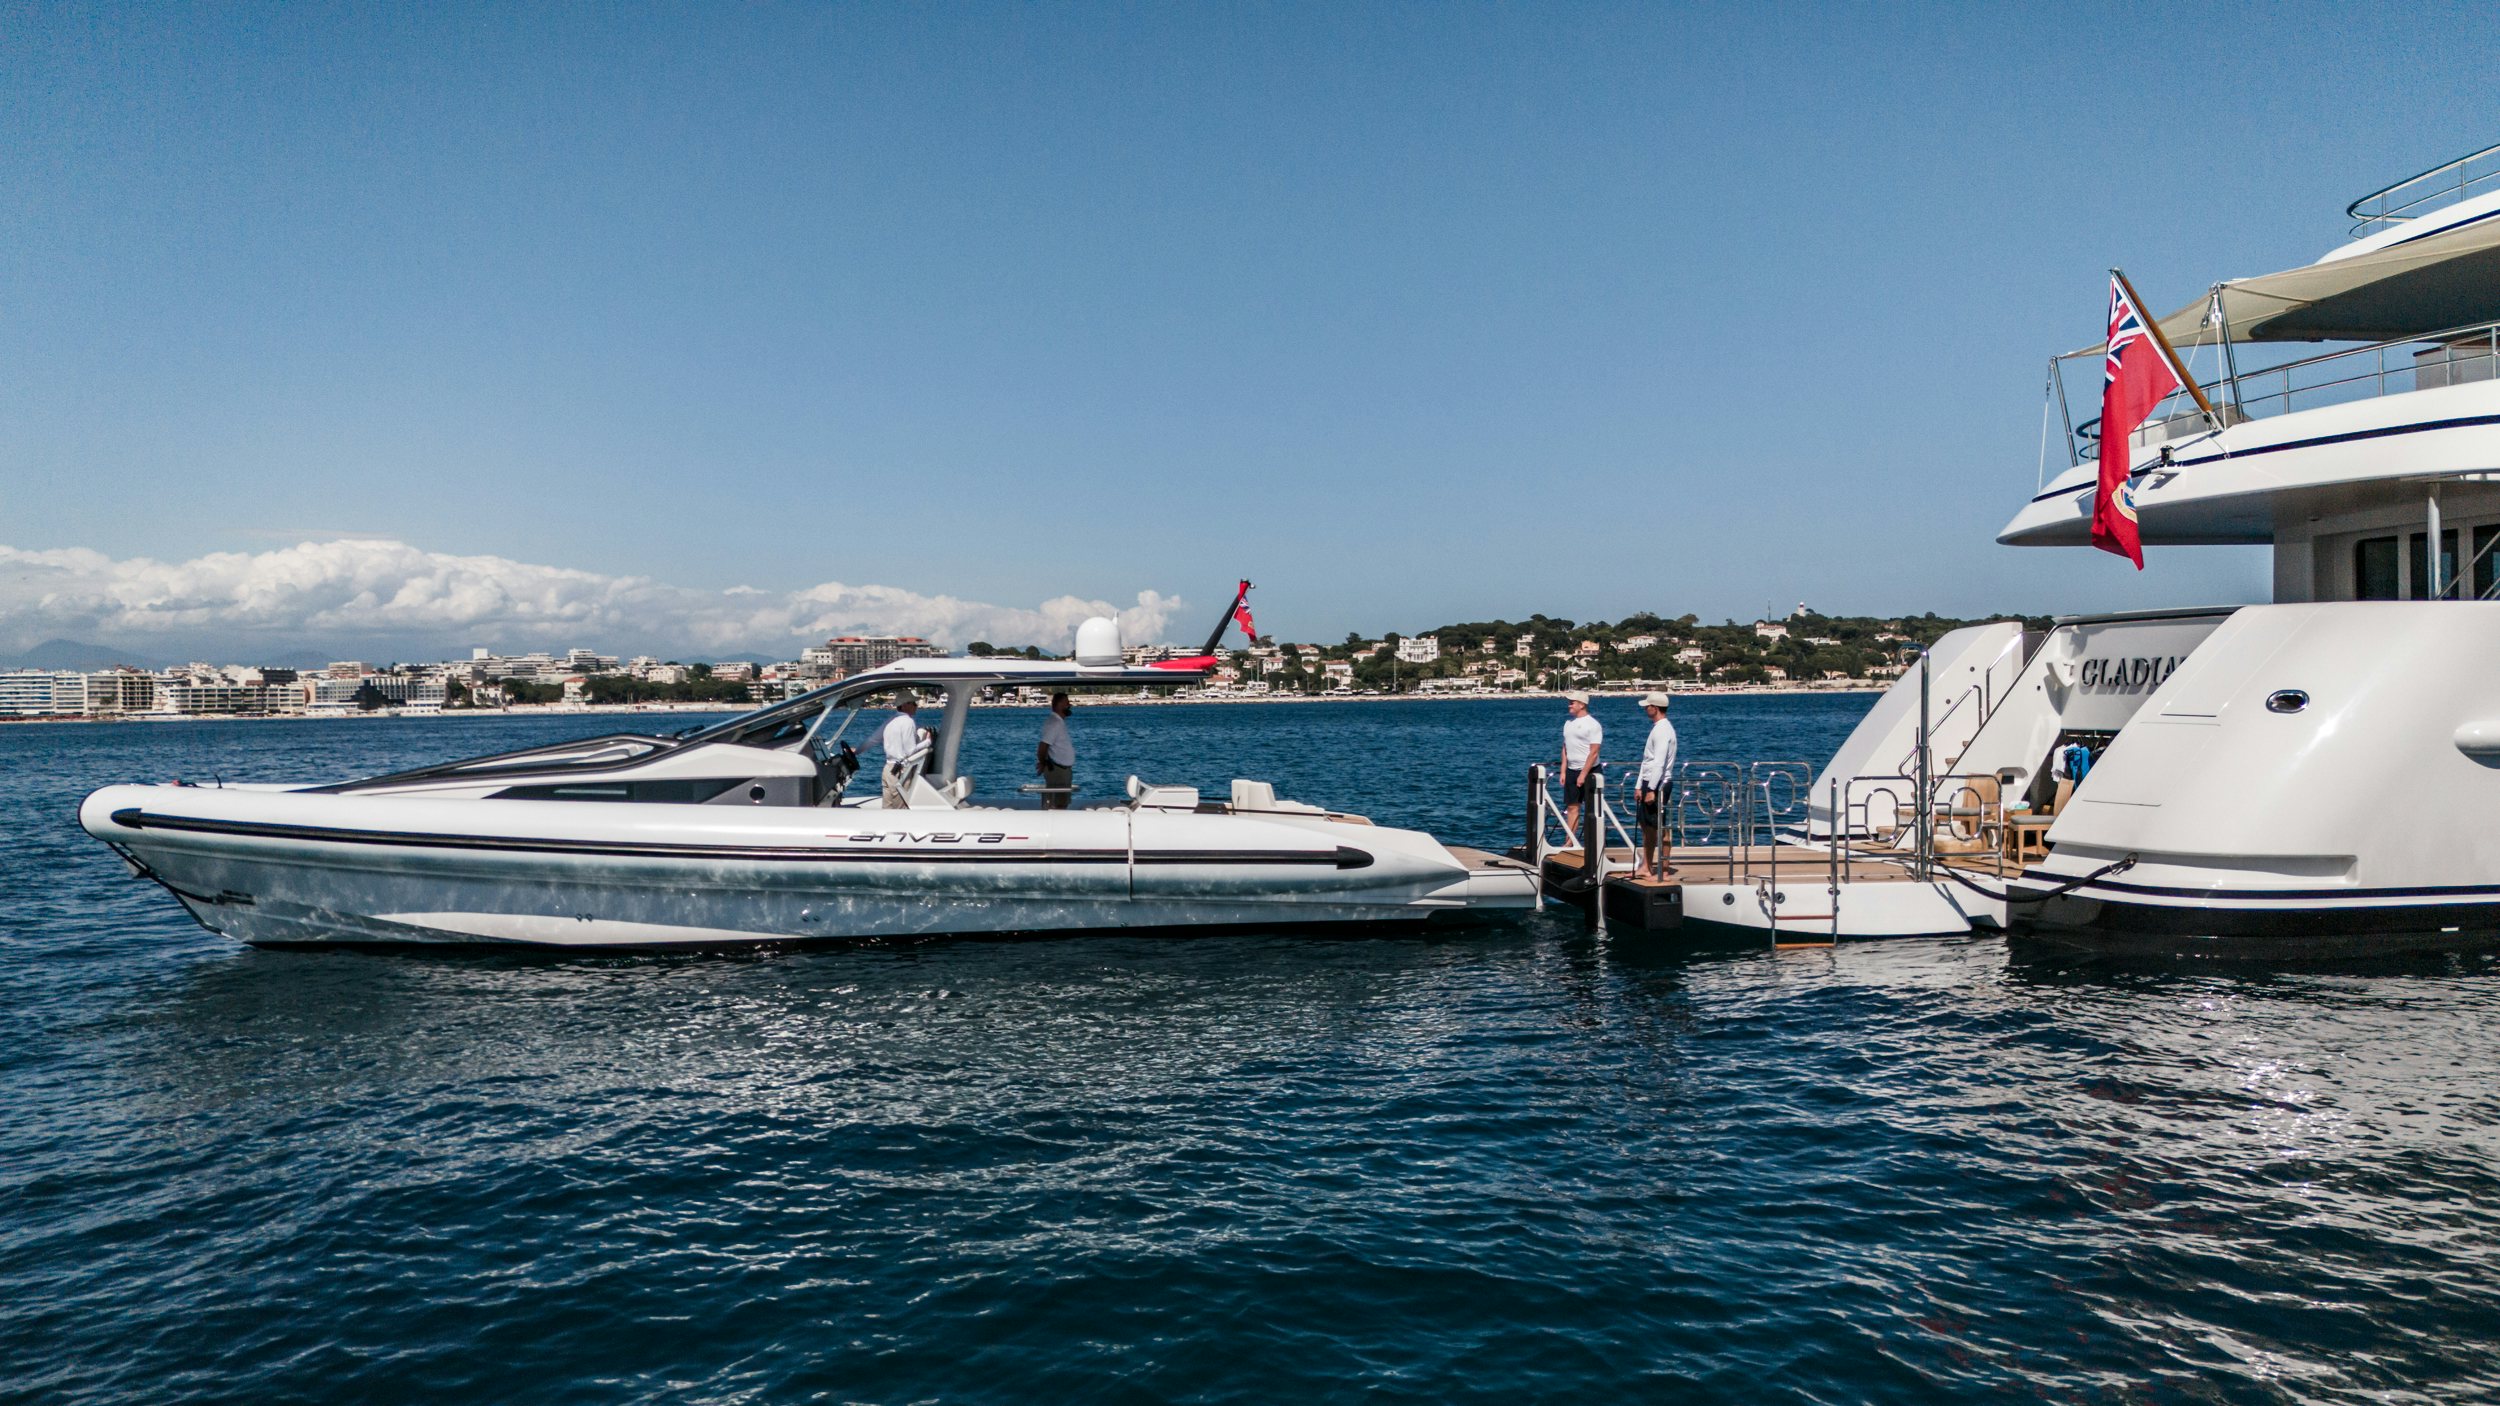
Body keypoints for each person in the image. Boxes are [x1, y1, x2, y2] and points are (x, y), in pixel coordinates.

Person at [1632, 691, 1679, 880]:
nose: (1645, 708)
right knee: (1648, 826)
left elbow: (1659, 762)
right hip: (1651, 781)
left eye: (1648, 706)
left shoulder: (1662, 730)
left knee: (1656, 827)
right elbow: (1647, 761)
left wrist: (1651, 789)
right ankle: (1647, 865)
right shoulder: (1658, 728)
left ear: (1655, 708)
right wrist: (1638, 785)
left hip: (1657, 783)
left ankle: (1659, 867)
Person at [1558, 691, 1603, 842]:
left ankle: (1593, 842)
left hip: (1590, 771)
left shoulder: (1593, 725)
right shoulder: (1568, 724)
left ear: (1581, 704)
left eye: (1572, 702)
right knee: (1572, 807)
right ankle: (1569, 842)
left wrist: (1583, 774)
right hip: (1572, 770)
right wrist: (1563, 770)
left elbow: (1594, 752)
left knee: (1592, 810)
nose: (1569, 705)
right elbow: (1565, 747)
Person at [879, 690, 929, 808]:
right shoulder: (908, 722)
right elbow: (910, 751)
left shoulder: (890, 722)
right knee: (900, 809)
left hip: (888, 769)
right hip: (900, 772)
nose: (916, 706)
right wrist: (927, 742)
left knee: (887, 808)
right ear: (905, 705)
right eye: (914, 703)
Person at [1035, 691, 1075, 809]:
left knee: (1061, 803)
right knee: (1058, 805)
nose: (1069, 706)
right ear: (1059, 705)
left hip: (1061, 770)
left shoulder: (1058, 722)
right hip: (1058, 771)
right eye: (1067, 703)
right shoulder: (1055, 723)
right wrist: (1043, 763)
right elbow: (1043, 746)